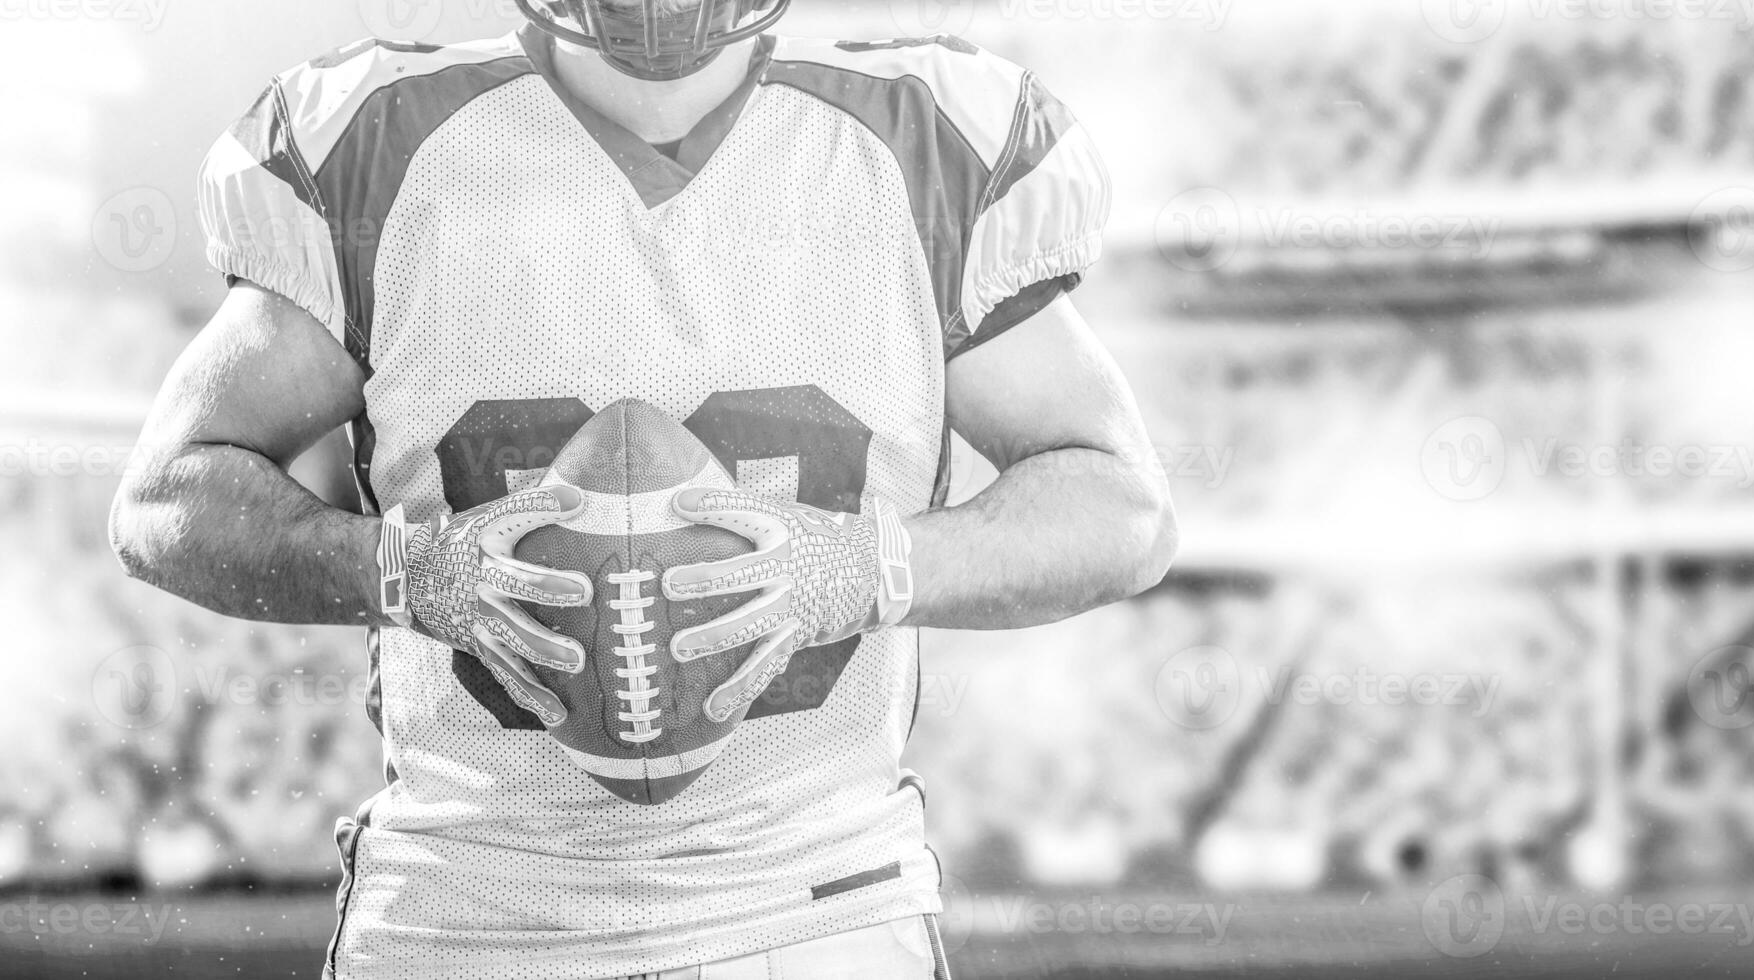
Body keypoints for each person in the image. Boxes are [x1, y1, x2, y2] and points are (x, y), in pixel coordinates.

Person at [110, 1, 1176, 977]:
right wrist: (403, 569)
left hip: (812, 906)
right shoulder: (378, 143)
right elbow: (165, 497)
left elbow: (1120, 506)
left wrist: (867, 567)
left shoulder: (922, 136)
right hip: (468, 909)